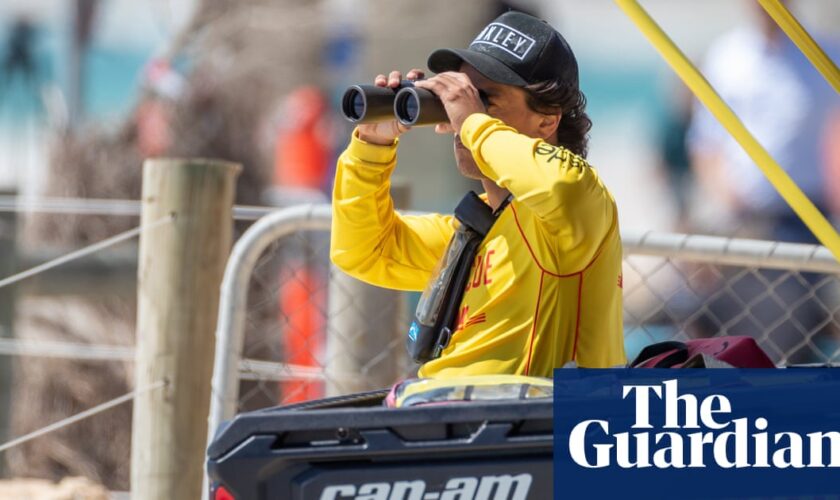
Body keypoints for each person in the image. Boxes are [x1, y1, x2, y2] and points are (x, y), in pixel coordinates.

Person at [330, 11, 625, 378]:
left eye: (483, 98)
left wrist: (472, 123)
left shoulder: (580, 201)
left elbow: (558, 185)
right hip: (449, 415)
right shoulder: (476, 230)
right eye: (460, 94)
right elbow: (363, 251)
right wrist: (373, 145)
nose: (460, 111)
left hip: (530, 423)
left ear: (547, 120)